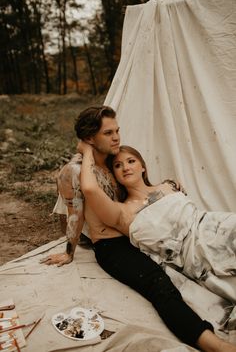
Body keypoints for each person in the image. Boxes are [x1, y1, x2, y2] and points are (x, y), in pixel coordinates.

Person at [41, 106, 236, 352]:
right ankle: (214, 345)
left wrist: (165, 188)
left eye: (117, 131)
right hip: (112, 246)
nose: (116, 137)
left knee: (190, 271)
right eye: (108, 133)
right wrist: (69, 251)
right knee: (159, 285)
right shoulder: (75, 169)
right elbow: (74, 212)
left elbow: (139, 191)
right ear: (90, 139)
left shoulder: (112, 162)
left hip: (140, 235)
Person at [79, 143, 236, 304]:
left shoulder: (168, 186)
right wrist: (87, 151)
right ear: (115, 175)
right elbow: (90, 188)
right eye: (118, 166)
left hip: (215, 226)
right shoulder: (122, 212)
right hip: (193, 253)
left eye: (131, 161)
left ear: (143, 167)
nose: (125, 167)